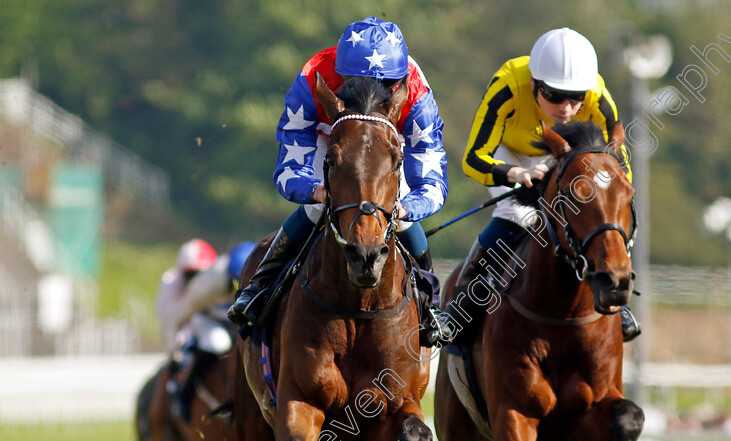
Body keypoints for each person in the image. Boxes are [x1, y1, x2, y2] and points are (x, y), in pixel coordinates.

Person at [227, 17, 448, 347]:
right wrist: (314, 189)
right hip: (330, 137)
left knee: (395, 210)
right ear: (340, 75)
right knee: (320, 208)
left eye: (386, 86)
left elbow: (431, 177)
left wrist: (406, 207)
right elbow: (289, 164)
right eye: (356, 84)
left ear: (399, 81)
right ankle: (260, 286)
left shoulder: (415, 92)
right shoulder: (313, 77)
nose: (372, 93)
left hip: (386, 142)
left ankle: (431, 304)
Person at [449, 27, 638, 348]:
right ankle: (465, 301)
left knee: (602, 215)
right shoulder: (507, 87)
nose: (565, 108)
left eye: (575, 98)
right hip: (509, 153)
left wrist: (614, 202)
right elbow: (473, 159)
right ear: (534, 85)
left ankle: (618, 298)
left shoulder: (599, 98)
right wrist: (515, 173)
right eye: (553, 95)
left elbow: (619, 166)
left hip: (567, 156)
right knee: (516, 214)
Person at [157, 240, 257, 419]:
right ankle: (185, 396)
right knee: (218, 343)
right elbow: (174, 319)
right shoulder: (204, 287)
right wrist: (174, 354)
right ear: (232, 279)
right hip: (210, 319)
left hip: (236, 318)